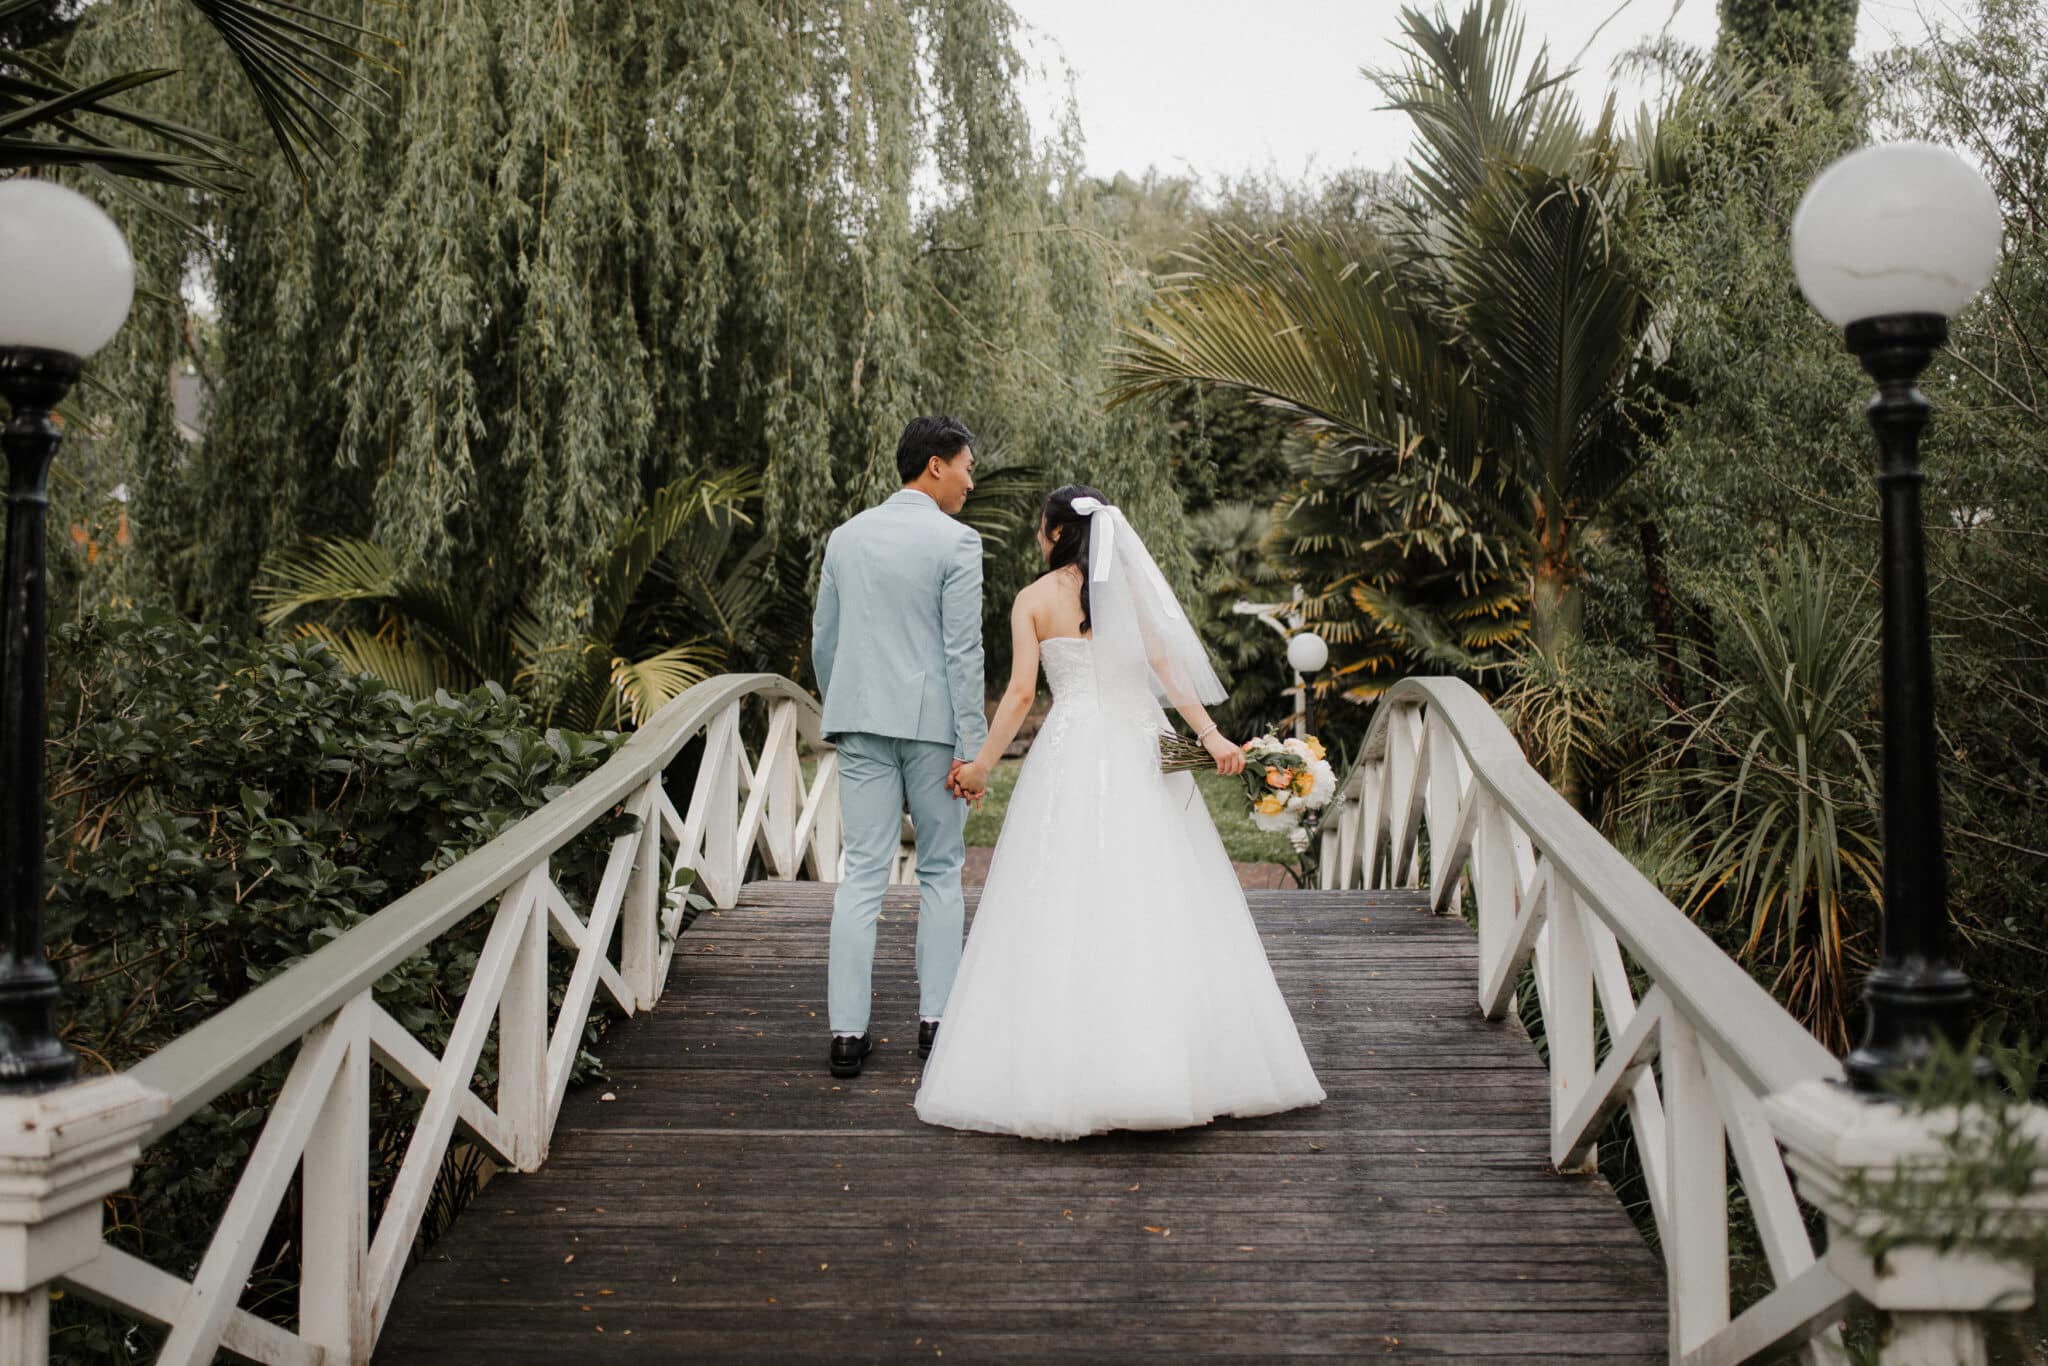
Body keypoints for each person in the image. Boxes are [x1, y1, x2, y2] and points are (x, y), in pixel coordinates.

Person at [915, 485, 1325, 1140]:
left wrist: (982, 767)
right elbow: (1167, 668)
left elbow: (1022, 694)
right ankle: (1175, 1065)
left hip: (1072, 746)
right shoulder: (1130, 594)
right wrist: (1213, 736)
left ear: (1053, 533)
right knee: (1159, 883)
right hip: (1140, 743)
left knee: (1063, 888)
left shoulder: (1033, 600)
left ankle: (1069, 1070)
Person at [810, 415, 986, 1079]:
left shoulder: (846, 539)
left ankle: (847, 1035)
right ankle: (936, 1023)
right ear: (935, 464)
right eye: (966, 466)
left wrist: (845, 704)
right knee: (941, 869)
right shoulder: (956, 543)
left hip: (862, 723)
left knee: (862, 872)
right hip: (935, 730)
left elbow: (825, 640)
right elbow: (962, 652)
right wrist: (971, 747)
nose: (971, 481)